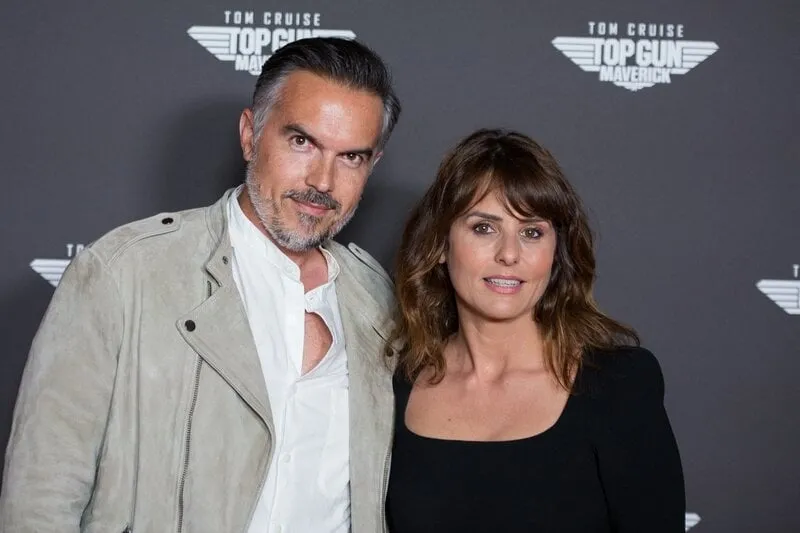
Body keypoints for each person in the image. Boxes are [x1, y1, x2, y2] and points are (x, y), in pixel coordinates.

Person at [0, 37, 401, 533]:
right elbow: (40, 498)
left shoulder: (375, 298)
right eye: (302, 142)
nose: (322, 180)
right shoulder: (126, 272)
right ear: (251, 135)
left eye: (351, 157)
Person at [385, 129, 685, 532]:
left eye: (532, 232)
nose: (509, 254)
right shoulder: (393, 385)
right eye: (484, 228)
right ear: (440, 243)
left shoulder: (618, 384)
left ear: (555, 252)